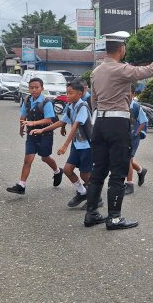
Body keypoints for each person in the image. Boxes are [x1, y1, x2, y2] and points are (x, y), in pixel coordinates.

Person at [83, 31, 153, 231]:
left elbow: (93, 102)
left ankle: (91, 214)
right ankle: (114, 218)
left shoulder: (96, 72)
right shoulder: (121, 69)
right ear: (121, 49)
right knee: (118, 171)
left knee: (98, 170)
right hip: (117, 123)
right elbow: (151, 69)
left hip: (99, 121)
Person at [29, 80, 95, 208]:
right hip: (77, 145)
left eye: (71, 93)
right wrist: (42, 129)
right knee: (67, 170)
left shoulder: (83, 107)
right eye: (67, 93)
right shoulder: (71, 107)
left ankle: (95, 197)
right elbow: (61, 122)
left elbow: (75, 126)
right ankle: (82, 192)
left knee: (85, 174)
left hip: (87, 146)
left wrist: (65, 145)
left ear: (80, 94)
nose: (68, 96)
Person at [6, 77, 62, 195]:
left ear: (42, 88)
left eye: (37, 87)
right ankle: (21, 185)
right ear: (28, 88)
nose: (34, 90)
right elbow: (23, 117)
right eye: (31, 87)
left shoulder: (46, 102)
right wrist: (21, 129)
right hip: (31, 135)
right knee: (28, 159)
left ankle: (57, 171)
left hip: (45, 134)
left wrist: (33, 123)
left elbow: (48, 120)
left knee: (45, 157)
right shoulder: (27, 101)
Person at [126, 87, 148, 195]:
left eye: (128, 92)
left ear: (133, 93)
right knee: (125, 158)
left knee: (128, 159)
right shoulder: (121, 105)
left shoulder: (136, 107)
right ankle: (140, 170)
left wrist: (136, 133)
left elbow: (143, 121)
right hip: (123, 137)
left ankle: (129, 184)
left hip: (133, 138)